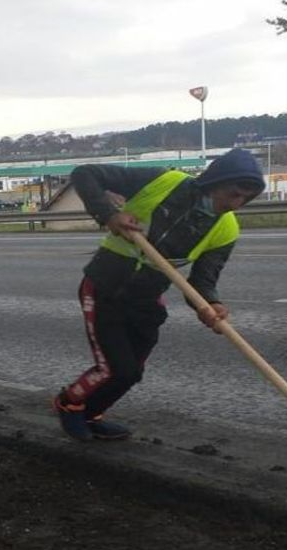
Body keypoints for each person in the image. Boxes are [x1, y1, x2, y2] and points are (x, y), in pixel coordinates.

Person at [53, 149, 266, 441]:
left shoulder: (226, 229)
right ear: (215, 182)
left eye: (245, 198)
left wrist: (210, 305)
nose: (236, 204)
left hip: (146, 300)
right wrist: (110, 215)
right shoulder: (164, 181)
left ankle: (92, 414)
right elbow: (85, 174)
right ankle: (69, 403)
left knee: (131, 372)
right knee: (115, 368)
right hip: (105, 288)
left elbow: (202, 282)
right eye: (233, 194)